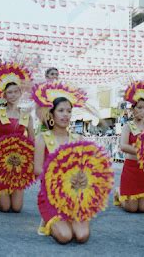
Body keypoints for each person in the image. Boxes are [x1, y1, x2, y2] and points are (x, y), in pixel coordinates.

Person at [34, 94, 90, 244]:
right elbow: (37, 170)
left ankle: (67, 221)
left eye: (68, 111)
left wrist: (83, 177)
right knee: (65, 237)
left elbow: (84, 169)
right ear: (51, 114)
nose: (65, 115)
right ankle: (48, 220)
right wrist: (62, 177)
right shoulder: (42, 138)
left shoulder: (78, 139)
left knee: (82, 236)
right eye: (61, 110)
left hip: (74, 197)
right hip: (51, 196)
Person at [0, 63, 34, 211]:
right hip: (0, 164)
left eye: (15, 92)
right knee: (5, 208)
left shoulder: (26, 116)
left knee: (17, 208)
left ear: (20, 93)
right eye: (9, 92)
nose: (12, 95)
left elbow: (31, 142)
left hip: (19, 164)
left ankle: (8, 192)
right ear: (4, 95)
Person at [114, 81, 144, 213]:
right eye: (139, 107)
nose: (142, 111)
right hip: (131, 168)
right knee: (132, 209)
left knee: (143, 209)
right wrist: (141, 151)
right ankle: (118, 192)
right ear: (133, 109)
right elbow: (123, 146)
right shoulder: (128, 126)